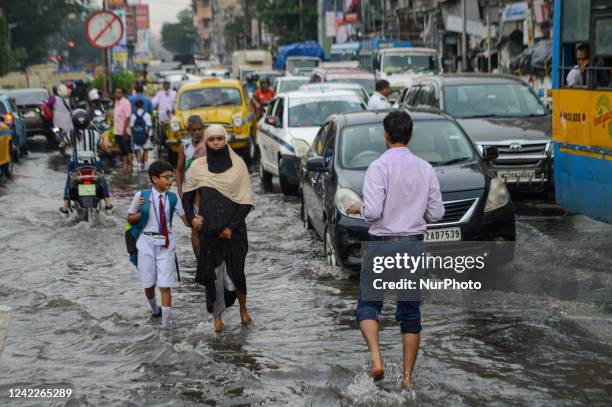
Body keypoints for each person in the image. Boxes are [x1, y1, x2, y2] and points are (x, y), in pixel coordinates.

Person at [346, 110, 444, 391]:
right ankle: (407, 378)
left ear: (385, 135)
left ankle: (377, 360)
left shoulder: (378, 166)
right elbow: (437, 213)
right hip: (412, 245)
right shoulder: (425, 168)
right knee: (410, 313)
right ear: (410, 135)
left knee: (368, 304)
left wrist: (360, 207)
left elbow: (373, 211)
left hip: (381, 245)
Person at [182, 125, 255, 333]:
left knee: (237, 272)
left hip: (235, 231)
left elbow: (246, 202)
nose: (216, 143)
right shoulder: (197, 167)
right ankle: (217, 319)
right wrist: (191, 219)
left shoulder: (238, 166)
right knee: (212, 275)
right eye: (212, 139)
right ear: (206, 141)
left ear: (225, 140)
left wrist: (231, 227)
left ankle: (243, 309)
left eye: (219, 139)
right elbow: (187, 198)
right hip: (209, 232)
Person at [127, 161, 188, 329]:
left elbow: (185, 220)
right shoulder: (142, 196)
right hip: (146, 242)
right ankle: (155, 309)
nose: (170, 181)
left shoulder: (173, 197)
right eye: (167, 177)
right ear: (155, 178)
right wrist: (142, 212)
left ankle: (166, 326)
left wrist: (195, 215)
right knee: (148, 283)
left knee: (165, 284)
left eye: (171, 177)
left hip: (166, 243)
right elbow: (130, 218)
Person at [59, 109, 112, 214]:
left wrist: (62, 145)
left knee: (69, 181)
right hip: (94, 163)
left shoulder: (71, 134)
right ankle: (107, 203)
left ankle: (65, 206)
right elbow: (105, 148)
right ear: (88, 121)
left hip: (76, 164)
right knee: (102, 179)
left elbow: (62, 145)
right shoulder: (95, 134)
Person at [176, 115, 206, 259]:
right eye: (193, 130)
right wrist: (180, 191)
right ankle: (199, 261)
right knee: (195, 227)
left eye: (200, 129)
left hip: (206, 191)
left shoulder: (210, 143)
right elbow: (179, 170)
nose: (197, 133)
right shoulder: (185, 146)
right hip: (190, 193)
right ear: (188, 131)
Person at [113, 87, 133, 173]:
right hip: (117, 130)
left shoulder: (126, 103)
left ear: (122, 94)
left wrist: (125, 129)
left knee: (127, 149)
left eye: (119, 93)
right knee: (122, 150)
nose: (117, 94)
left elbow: (128, 117)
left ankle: (130, 165)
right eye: (116, 92)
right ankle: (125, 164)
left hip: (124, 130)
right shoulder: (117, 102)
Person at [130, 99, 153, 170]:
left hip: (136, 135)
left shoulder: (133, 115)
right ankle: (146, 166)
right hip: (145, 135)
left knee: (138, 150)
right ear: (143, 106)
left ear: (135, 106)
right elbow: (149, 125)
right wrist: (148, 134)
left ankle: (139, 166)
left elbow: (131, 126)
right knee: (146, 150)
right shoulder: (147, 115)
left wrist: (133, 135)